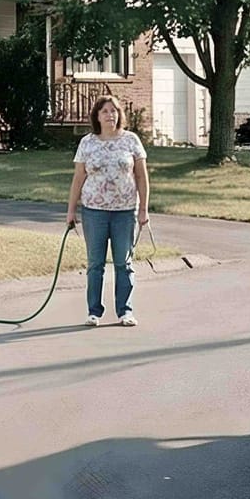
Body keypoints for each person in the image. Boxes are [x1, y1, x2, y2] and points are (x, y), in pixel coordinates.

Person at [66, 95, 150, 327]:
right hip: (94, 211)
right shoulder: (88, 143)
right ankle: (94, 311)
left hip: (124, 211)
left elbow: (141, 176)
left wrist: (143, 208)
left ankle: (125, 311)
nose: (110, 115)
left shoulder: (131, 140)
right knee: (95, 264)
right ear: (97, 116)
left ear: (119, 115)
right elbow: (78, 178)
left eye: (114, 111)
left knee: (124, 262)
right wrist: (71, 211)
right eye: (105, 111)